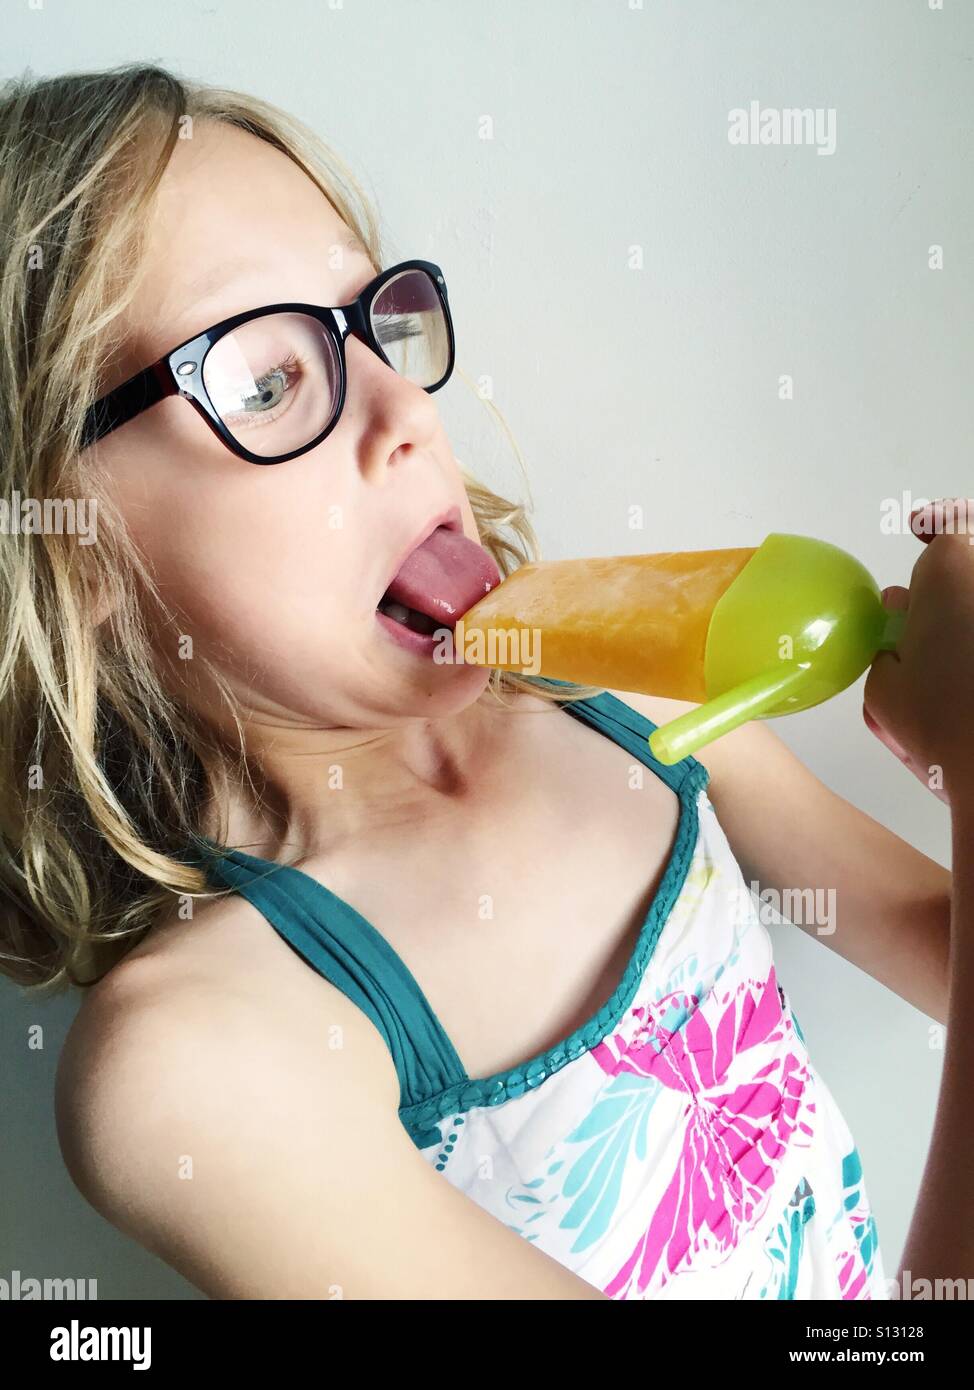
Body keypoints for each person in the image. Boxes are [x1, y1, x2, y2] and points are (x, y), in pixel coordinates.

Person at [1, 63, 969, 1301]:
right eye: (265, 379)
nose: (403, 407)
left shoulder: (617, 700)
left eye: (372, 323)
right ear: (60, 538)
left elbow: (942, 949)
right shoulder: (199, 1059)